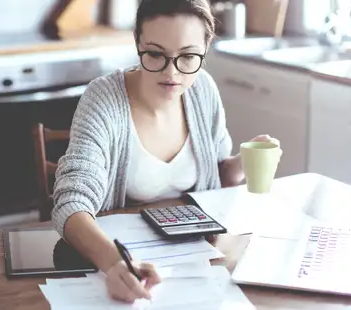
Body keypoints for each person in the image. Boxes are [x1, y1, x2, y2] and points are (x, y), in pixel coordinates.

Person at [51, 0, 281, 303]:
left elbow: (217, 174)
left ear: (205, 47)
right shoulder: (104, 99)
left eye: (187, 57)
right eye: (156, 54)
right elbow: (71, 203)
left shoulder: (203, 90)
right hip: (122, 261)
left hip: (196, 266)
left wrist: (242, 163)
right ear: (137, 44)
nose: (172, 73)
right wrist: (114, 263)